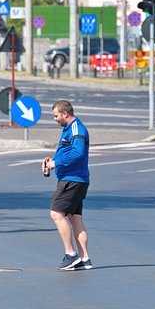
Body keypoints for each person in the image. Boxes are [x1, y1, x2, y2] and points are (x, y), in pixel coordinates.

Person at [42, 100, 92, 271]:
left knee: (56, 214)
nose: (55, 119)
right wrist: (53, 162)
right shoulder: (69, 129)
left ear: (65, 113)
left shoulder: (77, 129)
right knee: (75, 218)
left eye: (56, 115)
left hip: (72, 179)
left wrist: (56, 163)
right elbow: (68, 152)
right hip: (75, 179)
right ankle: (85, 258)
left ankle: (71, 255)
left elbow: (78, 153)